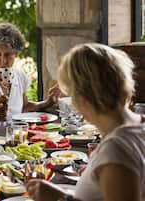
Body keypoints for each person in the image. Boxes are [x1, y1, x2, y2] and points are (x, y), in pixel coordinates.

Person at [26, 43, 145, 201]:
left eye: (71, 93)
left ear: (84, 98)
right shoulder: (138, 126)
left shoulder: (115, 150)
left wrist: (61, 198)